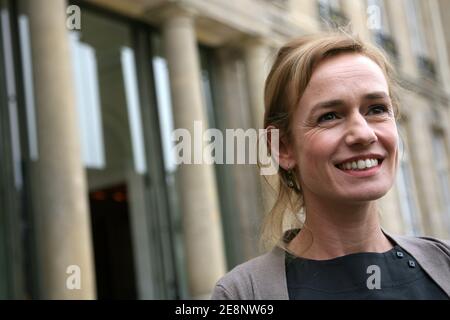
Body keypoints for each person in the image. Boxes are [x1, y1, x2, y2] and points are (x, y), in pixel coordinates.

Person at [211, 32, 450, 300]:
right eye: (330, 116)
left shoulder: (444, 265)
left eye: (376, 109)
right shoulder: (242, 295)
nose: (363, 134)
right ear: (283, 148)